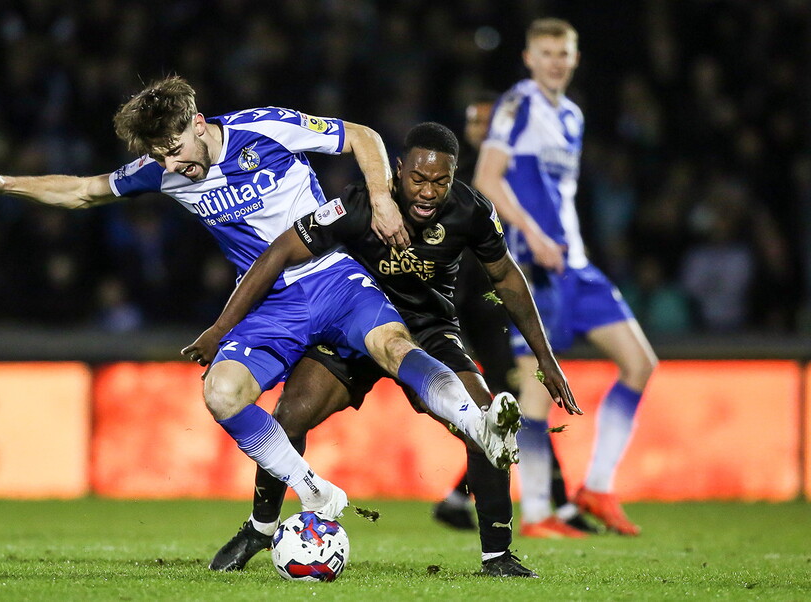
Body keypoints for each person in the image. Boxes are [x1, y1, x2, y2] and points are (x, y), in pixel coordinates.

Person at [0, 75, 523, 523]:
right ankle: (313, 490)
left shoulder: (265, 127)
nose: (171, 166)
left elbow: (362, 135)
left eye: (175, 150)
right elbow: (85, 190)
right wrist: (7, 184)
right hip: (269, 303)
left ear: (198, 124)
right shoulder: (162, 171)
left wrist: (381, 198)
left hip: (332, 276)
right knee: (221, 392)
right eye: (160, 157)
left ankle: (478, 427)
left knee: (394, 345)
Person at [185, 122, 580, 577]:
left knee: (484, 420)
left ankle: (498, 556)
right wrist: (223, 327)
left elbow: (506, 278)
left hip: (429, 332)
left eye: (440, 181)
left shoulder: (470, 210)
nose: (428, 192)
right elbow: (280, 250)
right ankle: (260, 528)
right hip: (355, 322)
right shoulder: (359, 204)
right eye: (418, 179)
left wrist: (546, 359)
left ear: (454, 176)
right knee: (290, 416)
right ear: (398, 169)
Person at [472, 18, 658, 537]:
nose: (555, 62)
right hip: (534, 268)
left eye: (564, 53)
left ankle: (597, 487)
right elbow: (487, 179)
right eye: (547, 53)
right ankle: (536, 512)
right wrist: (531, 234)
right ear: (529, 59)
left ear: (575, 59)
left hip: (575, 265)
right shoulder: (518, 104)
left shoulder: (572, 115)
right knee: (535, 388)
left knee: (639, 363)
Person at [433, 94, 594, 534]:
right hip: (477, 302)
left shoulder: (511, 175)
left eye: (488, 121)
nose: (480, 129)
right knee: (518, 397)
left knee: (518, 398)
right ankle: (558, 504)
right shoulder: (461, 178)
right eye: (474, 121)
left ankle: (466, 498)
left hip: (501, 298)